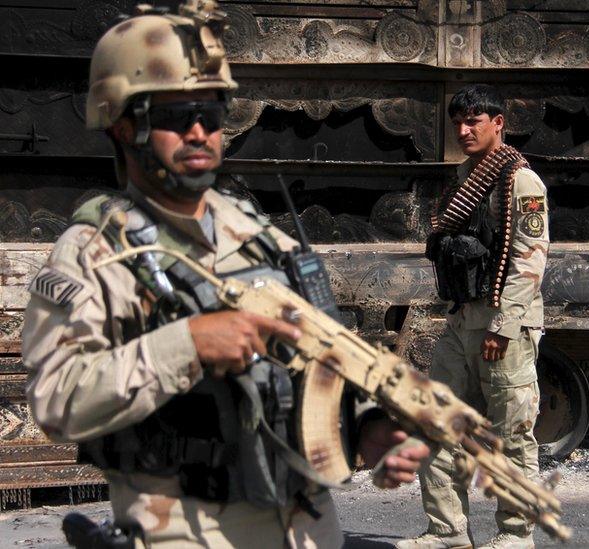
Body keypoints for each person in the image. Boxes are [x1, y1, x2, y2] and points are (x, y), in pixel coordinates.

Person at [21, 3, 427, 547]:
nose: (198, 131)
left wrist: (368, 428)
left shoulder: (261, 235)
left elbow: (317, 362)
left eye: (211, 115)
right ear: (122, 125)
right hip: (187, 530)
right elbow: (57, 402)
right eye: (175, 115)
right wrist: (186, 344)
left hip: (306, 528)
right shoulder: (92, 255)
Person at [397, 84, 549, 549]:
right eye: (458, 122)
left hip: (506, 322)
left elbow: (530, 259)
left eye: (474, 121)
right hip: (463, 318)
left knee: (511, 433)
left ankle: (516, 534)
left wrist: (502, 327)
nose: (463, 130)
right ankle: (447, 530)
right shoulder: (468, 175)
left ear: (498, 123)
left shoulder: (521, 181)